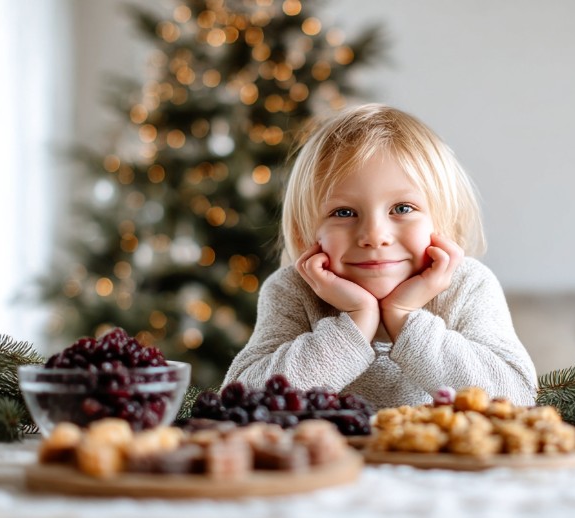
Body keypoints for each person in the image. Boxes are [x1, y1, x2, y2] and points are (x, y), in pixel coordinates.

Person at [223, 104, 537, 409]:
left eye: (402, 208)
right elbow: (240, 401)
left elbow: (518, 397)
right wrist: (355, 324)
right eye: (343, 212)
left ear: (444, 225)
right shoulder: (291, 291)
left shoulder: (468, 286)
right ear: (307, 235)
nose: (374, 235)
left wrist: (404, 318)